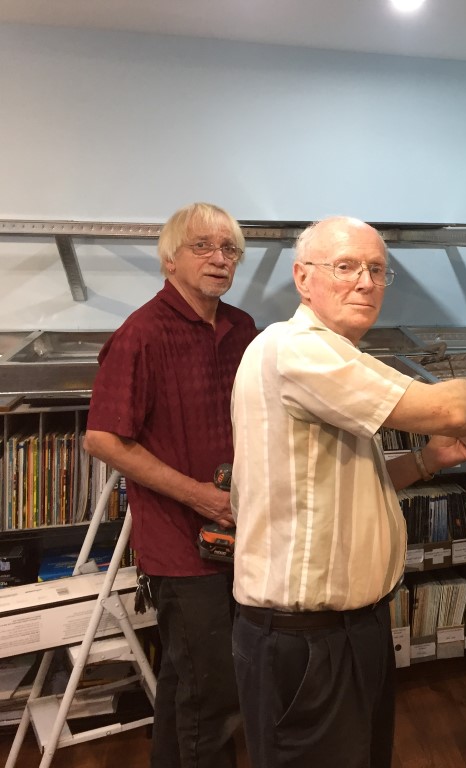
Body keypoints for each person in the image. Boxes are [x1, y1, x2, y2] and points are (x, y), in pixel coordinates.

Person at [229, 216, 466, 768]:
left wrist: (426, 461)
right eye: (346, 266)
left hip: (352, 631)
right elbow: (452, 410)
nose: (365, 282)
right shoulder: (300, 350)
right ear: (303, 278)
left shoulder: (335, 355)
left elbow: (342, 485)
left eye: (377, 270)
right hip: (309, 642)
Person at [84, 202, 257, 768]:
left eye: (229, 249)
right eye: (201, 246)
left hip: (239, 534)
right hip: (181, 548)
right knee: (215, 693)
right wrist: (199, 495)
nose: (219, 258)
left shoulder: (242, 328)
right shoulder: (141, 334)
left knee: (191, 680)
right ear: (169, 260)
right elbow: (102, 440)